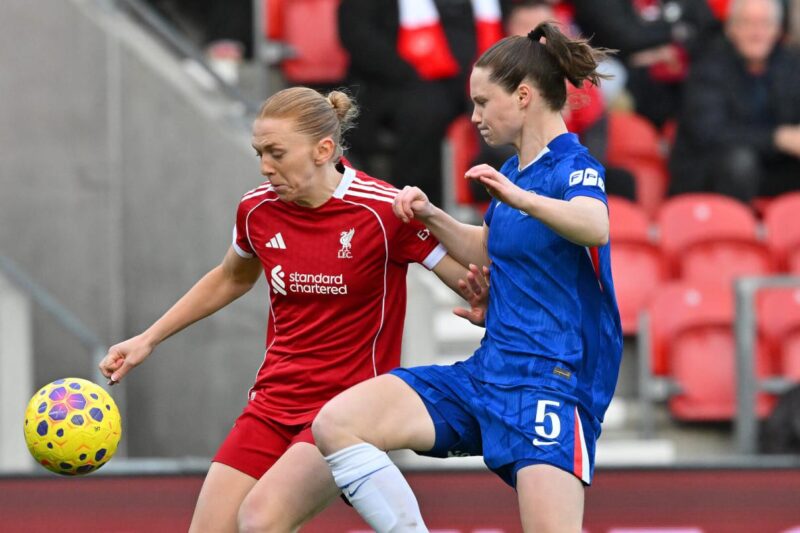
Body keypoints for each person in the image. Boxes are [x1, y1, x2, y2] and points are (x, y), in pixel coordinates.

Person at [98, 87, 485, 533]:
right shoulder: (256, 209)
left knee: (260, 521)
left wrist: (487, 304)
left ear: (323, 150)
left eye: (277, 153)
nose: (265, 166)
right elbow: (231, 277)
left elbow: (466, 280)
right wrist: (147, 339)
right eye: (259, 152)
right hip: (273, 402)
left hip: (345, 413)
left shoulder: (383, 211)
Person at [313, 22, 623, 533]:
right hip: (487, 376)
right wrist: (432, 215)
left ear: (523, 96)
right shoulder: (518, 173)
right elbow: (486, 247)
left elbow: (595, 225)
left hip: (552, 385)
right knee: (338, 423)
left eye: (483, 102)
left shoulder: (572, 164)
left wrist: (519, 199)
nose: (474, 116)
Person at [337, 0, 504, 207]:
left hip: (475, 76)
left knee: (505, 101)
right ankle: (418, 210)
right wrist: (412, 74)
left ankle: (500, 196)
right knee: (425, 112)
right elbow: (358, 35)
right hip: (399, 81)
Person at [668, 0, 800, 201]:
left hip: (771, 169)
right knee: (739, 162)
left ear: (777, 30)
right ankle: (733, 231)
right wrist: (776, 138)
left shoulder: (789, 66)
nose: (757, 33)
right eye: (747, 23)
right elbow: (711, 134)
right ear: (731, 28)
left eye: (765, 23)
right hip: (708, 173)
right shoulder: (708, 67)